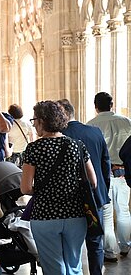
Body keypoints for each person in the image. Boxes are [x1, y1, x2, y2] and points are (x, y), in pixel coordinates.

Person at [21, 100, 97, 275]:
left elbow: (25, 188)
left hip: (45, 215)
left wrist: (45, 191)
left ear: (41, 121)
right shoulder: (77, 145)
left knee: (54, 267)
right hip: (75, 214)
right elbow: (93, 182)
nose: (34, 125)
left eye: (34, 121)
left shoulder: (34, 148)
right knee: (74, 265)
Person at [58, 98, 111, 275]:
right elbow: (105, 163)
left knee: (70, 244)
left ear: (63, 114)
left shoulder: (59, 136)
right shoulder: (95, 132)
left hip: (69, 198)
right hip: (95, 195)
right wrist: (103, 190)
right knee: (95, 241)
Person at [87, 92, 131, 261]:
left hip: (103, 173)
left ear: (95, 106)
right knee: (124, 210)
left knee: (106, 212)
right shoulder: (126, 122)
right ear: (111, 105)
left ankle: (110, 252)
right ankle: (125, 246)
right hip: (123, 171)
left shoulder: (91, 125)